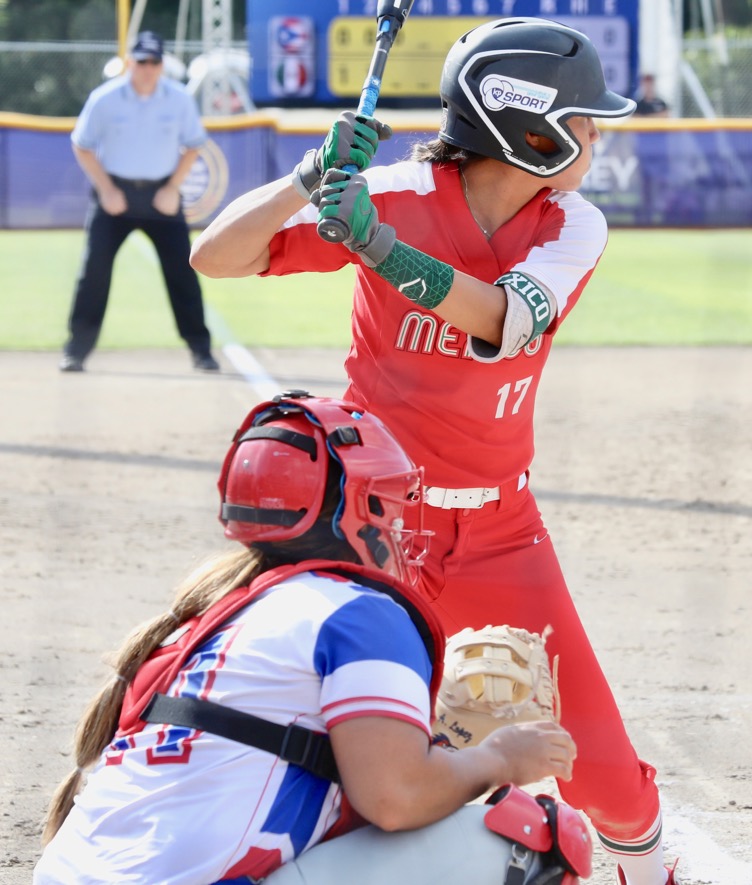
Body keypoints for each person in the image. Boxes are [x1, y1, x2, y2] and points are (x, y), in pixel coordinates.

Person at [191, 18, 682, 885]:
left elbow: (501, 316)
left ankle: (653, 864)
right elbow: (215, 255)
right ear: (526, 132)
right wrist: (304, 180)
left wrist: (376, 245)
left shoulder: (572, 225)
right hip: (373, 536)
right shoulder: (390, 189)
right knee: (354, 756)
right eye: (582, 120)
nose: (598, 136)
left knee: (608, 776)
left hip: (502, 532)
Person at [35, 392, 582, 884]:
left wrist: (435, 745)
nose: (397, 523)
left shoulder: (211, 613)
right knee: (536, 836)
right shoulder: (361, 614)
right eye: (387, 502)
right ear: (356, 512)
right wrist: (497, 759)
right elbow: (395, 800)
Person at [60, 30, 219, 374]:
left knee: (183, 272)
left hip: (162, 195)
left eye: (154, 61)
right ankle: (76, 349)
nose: (147, 68)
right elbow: (82, 144)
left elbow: (193, 144)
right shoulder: (105, 98)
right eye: (141, 61)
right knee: (93, 273)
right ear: (129, 62)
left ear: (162, 65)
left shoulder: (178, 99)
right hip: (114, 194)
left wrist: (172, 188)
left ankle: (201, 350)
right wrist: (106, 189)